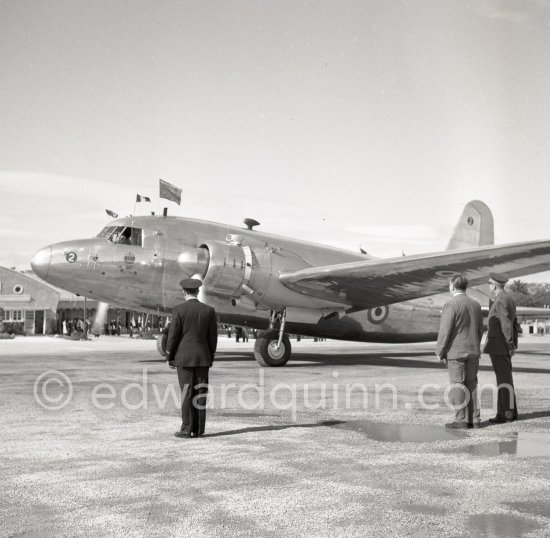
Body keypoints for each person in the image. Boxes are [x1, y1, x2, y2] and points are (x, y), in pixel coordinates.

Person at [166, 278, 218, 439]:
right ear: (197, 291)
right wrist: (211, 355)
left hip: (184, 358)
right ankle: (199, 429)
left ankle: (187, 429)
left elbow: (173, 335)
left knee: (186, 393)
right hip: (203, 358)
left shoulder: (179, 310)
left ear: (184, 292)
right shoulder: (209, 311)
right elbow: (212, 338)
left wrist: (170, 355)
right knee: (200, 393)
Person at [436, 273, 484, 429]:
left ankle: (461, 420)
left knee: (458, 385)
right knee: (472, 384)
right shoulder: (476, 305)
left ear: (452, 286)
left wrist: (440, 350)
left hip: (456, 352)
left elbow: (445, 330)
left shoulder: (451, 304)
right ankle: (475, 419)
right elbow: (480, 330)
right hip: (473, 350)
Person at [483, 272, 518, 423]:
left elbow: (506, 325)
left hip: (500, 346)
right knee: (506, 380)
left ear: (495, 285)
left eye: (489, 283)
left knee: (503, 380)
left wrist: (509, 345)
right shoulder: (506, 298)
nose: (489, 285)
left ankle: (506, 414)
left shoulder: (501, 301)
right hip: (502, 346)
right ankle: (509, 412)